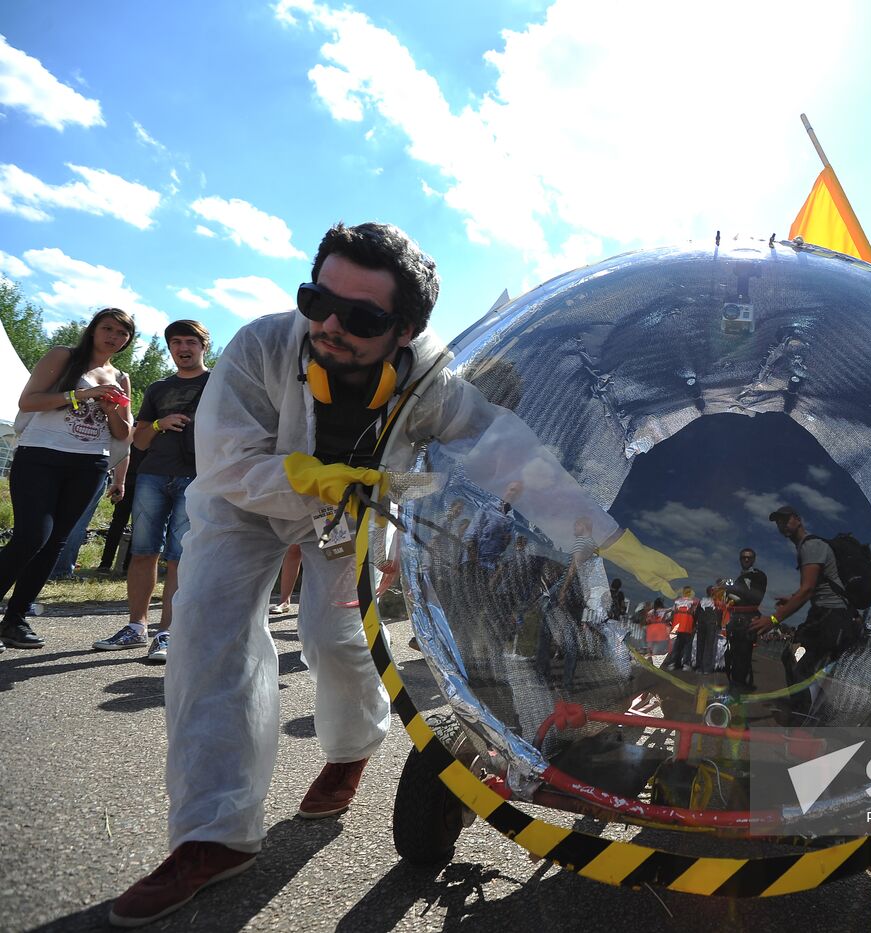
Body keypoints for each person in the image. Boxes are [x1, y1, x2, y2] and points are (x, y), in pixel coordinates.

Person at [110, 222, 683, 927]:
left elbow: (511, 456)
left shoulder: (430, 383)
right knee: (204, 634)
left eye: (361, 318)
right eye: (316, 299)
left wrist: (608, 539)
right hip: (244, 502)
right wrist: (301, 473)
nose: (328, 325)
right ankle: (211, 835)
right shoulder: (261, 346)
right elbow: (224, 458)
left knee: (333, 637)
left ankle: (351, 749)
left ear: (405, 330)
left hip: (348, 512)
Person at [0, 307, 133, 650]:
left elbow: (123, 433)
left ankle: (15, 619)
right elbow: (28, 401)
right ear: (93, 330)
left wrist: (110, 408)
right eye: (108, 328)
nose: (113, 337)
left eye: (122, 333)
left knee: (57, 542)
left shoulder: (120, 377)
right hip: (41, 455)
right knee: (32, 536)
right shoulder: (63, 356)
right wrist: (83, 395)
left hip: (90, 464)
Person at [94, 320, 211, 662]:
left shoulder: (219, 382)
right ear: (170, 347)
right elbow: (139, 439)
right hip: (153, 475)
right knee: (144, 552)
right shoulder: (159, 388)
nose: (183, 348)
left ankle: (167, 633)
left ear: (204, 346)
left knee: (179, 557)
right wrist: (160, 423)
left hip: (197, 478)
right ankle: (135, 627)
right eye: (176, 342)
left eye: (190, 341)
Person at [752, 505, 853, 720]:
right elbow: (813, 587)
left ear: (797, 520)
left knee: (796, 660)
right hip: (827, 615)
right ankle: (816, 711)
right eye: (778, 522)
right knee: (799, 661)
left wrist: (773, 619)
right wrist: (791, 599)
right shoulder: (806, 547)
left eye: (785, 519)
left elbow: (807, 590)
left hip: (831, 616)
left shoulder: (811, 546)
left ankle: (804, 715)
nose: (781, 525)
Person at [724, 547, 767, 689]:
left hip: (747, 619)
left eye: (749, 557)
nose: (746, 559)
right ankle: (736, 685)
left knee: (743, 656)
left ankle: (739, 688)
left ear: (753, 559)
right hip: (735, 620)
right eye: (743, 557)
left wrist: (732, 592)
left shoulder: (758, 575)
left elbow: (755, 597)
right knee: (733, 655)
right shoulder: (740, 578)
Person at [663, 585, 699, 670]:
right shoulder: (693, 602)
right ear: (690, 592)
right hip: (687, 626)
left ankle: (672, 664)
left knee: (677, 645)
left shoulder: (677, 601)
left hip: (677, 626)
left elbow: (673, 613)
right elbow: (694, 613)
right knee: (687, 645)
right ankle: (686, 665)